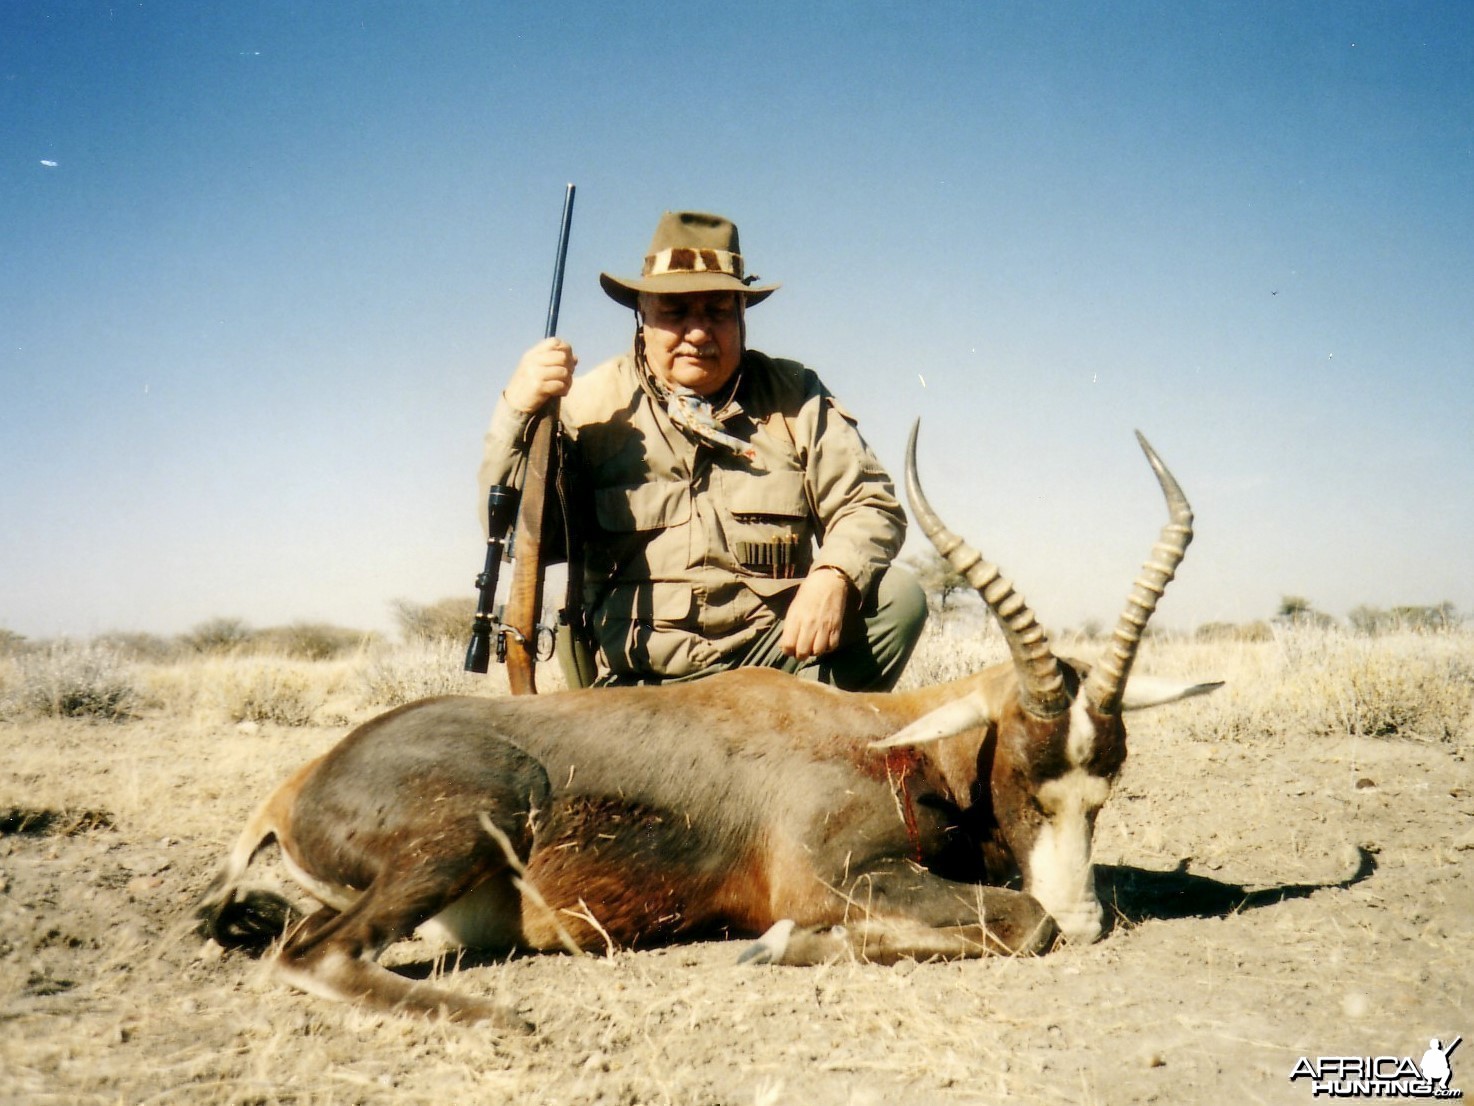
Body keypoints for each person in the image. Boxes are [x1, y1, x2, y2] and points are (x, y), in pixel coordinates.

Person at [479, 210, 926, 690]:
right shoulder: (587, 405)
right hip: (639, 686)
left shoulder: (795, 396)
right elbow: (515, 534)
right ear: (642, 314)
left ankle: (811, 751)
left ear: (741, 315)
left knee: (898, 597)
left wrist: (834, 576)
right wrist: (516, 411)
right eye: (674, 312)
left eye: (716, 311)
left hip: (773, 672)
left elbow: (869, 502)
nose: (697, 332)